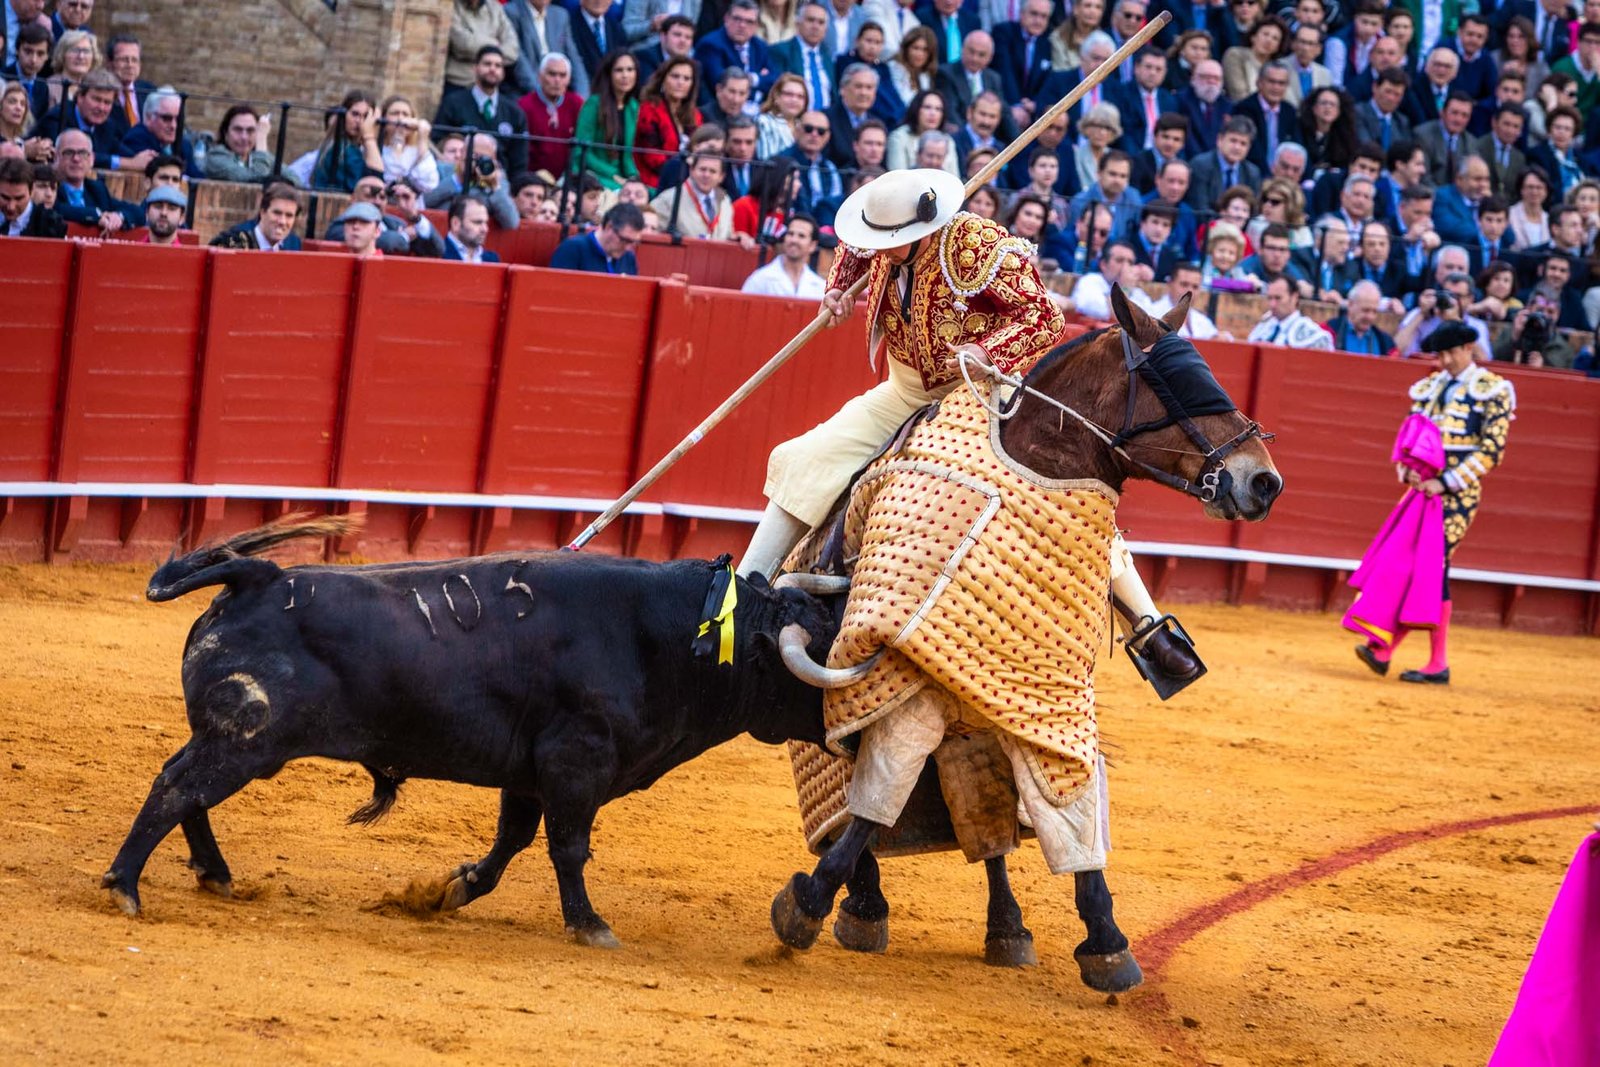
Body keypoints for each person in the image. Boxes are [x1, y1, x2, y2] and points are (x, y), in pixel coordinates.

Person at [738, 167, 1064, 580]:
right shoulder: (879, 233)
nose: (884, 251)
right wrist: (838, 287)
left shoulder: (978, 245)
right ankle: (750, 584)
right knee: (805, 458)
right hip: (903, 390)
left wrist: (987, 350)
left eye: (893, 243)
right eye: (880, 241)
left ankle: (1147, 624)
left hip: (979, 398)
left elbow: (1046, 318)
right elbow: (855, 247)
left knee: (1051, 492)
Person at [1351, 320, 1515, 685]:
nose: (1443, 361)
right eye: (1439, 354)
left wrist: (1445, 482)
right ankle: (1397, 651)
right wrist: (1406, 471)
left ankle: (1400, 651)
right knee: (1415, 566)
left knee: (1430, 567)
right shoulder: (1431, 387)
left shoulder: (1494, 390)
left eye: (1449, 353)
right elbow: (1408, 436)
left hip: (1457, 495)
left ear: (1468, 348)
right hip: (1420, 491)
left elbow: (1492, 451)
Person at [433, 45, 530, 179]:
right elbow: (438, 141)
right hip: (458, 178)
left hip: (499, 183)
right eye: (487, 64)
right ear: (475, 68)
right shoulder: (453, 103)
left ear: (503, 72)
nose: (492, 69)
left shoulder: (514, 112)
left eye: (498, 65)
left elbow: (519, 161)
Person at [572, 51, 641, 190]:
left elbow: (629, 153)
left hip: (623, 177)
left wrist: (633, 176)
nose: (625, 75)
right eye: (619, 70)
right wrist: (613, 175)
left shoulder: (633, 106)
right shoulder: (594, 104)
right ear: (609, 74)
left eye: (630, 70)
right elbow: (582, 151)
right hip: (595, 174)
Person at [633, 56, 702, 188]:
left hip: (688, 181)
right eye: (675, 76)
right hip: (654, 182)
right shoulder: (649, 110)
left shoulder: (695, 115)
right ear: (663, 79)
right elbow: (652, 158)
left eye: (686, 78)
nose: (680, 82)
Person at [52, 127, 136, 233]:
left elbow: (137, 212)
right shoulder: (49, 187)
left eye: (82, 153)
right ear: (55, 157)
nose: (76, 159)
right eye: (69, 153)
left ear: (91, 159)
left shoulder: (97, 189)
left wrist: (118, 217)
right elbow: (55, 209)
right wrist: (97, 215)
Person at [741, 211, 827, 296]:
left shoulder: (819, 287)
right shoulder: (760, 279)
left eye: (801, 236)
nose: (794, 240)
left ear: (812, 245)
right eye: (790, 234)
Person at [1129, 261, 1221, 338]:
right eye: (1184, 284)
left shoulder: (1203, 322)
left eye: (1195, 287)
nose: (1190, 291)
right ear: (1170, 284)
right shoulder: (1151, 314)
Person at [447, 0, 522, 93]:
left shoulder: (495, 8)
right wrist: (495, 44)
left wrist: (481, 45)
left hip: (491, 85)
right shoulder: (451, 6)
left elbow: (513, 50)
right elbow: (463, 44)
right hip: (459, 83)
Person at [551, 201, 646, 272]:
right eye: (624, 240)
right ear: (609, 227)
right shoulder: (573, 249)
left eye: (634, 242)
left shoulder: (628, 258)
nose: (628, 247)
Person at [210, 182, 304, 251]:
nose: (282, 221)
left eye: (289, 216)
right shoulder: (232, 242)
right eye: (277, 213)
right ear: (262, 212)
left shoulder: (293, 245)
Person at [1248, 276, 1335, 348]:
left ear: (1294, 297)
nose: (1272, 304)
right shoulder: (1264, 326)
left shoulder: (1312, 333)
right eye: (1270, 298)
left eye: (1278, 298)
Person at [378, 95, 441, 192]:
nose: (400, 118)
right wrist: (398, 137)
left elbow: (430, 184)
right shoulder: (377, 147)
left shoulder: (416, 150)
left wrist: (422, 139)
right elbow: (392, 175)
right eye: (395, 113)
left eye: (405, 114)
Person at [204, 104, 276, 183]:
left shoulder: (256, 156)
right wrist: (261, 138)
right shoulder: (216, 157)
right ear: (225, 133)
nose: (244, 137)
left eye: (250, 130)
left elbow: (291, 177)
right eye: (238, 130)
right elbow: (259, 179)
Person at [1066, 240, 1138, 320]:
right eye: (1119, 261)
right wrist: (1123, 289)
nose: (1125, 267)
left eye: (1130, 263)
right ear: (1103, 264)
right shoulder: (1090, 281)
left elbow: (1148, 317)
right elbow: (1100, 311)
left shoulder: (1136, 291)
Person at [1322, 280, 1395, 354]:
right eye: (1365, 310)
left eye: (1374, 311)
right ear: (1350, 305)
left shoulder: (1386, 343)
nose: (1370, 317)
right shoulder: (1327, 333)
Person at [0, 152, 63, 236]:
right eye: (5, 198)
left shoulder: (50, 225)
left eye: (19, 199)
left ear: (31, 191)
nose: (11, 207)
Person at [443, 195, 501, 262]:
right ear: (456, 224)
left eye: (486, 223)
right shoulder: (435, 255)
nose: (485, 229)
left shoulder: (492, 260)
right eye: (477, 222)